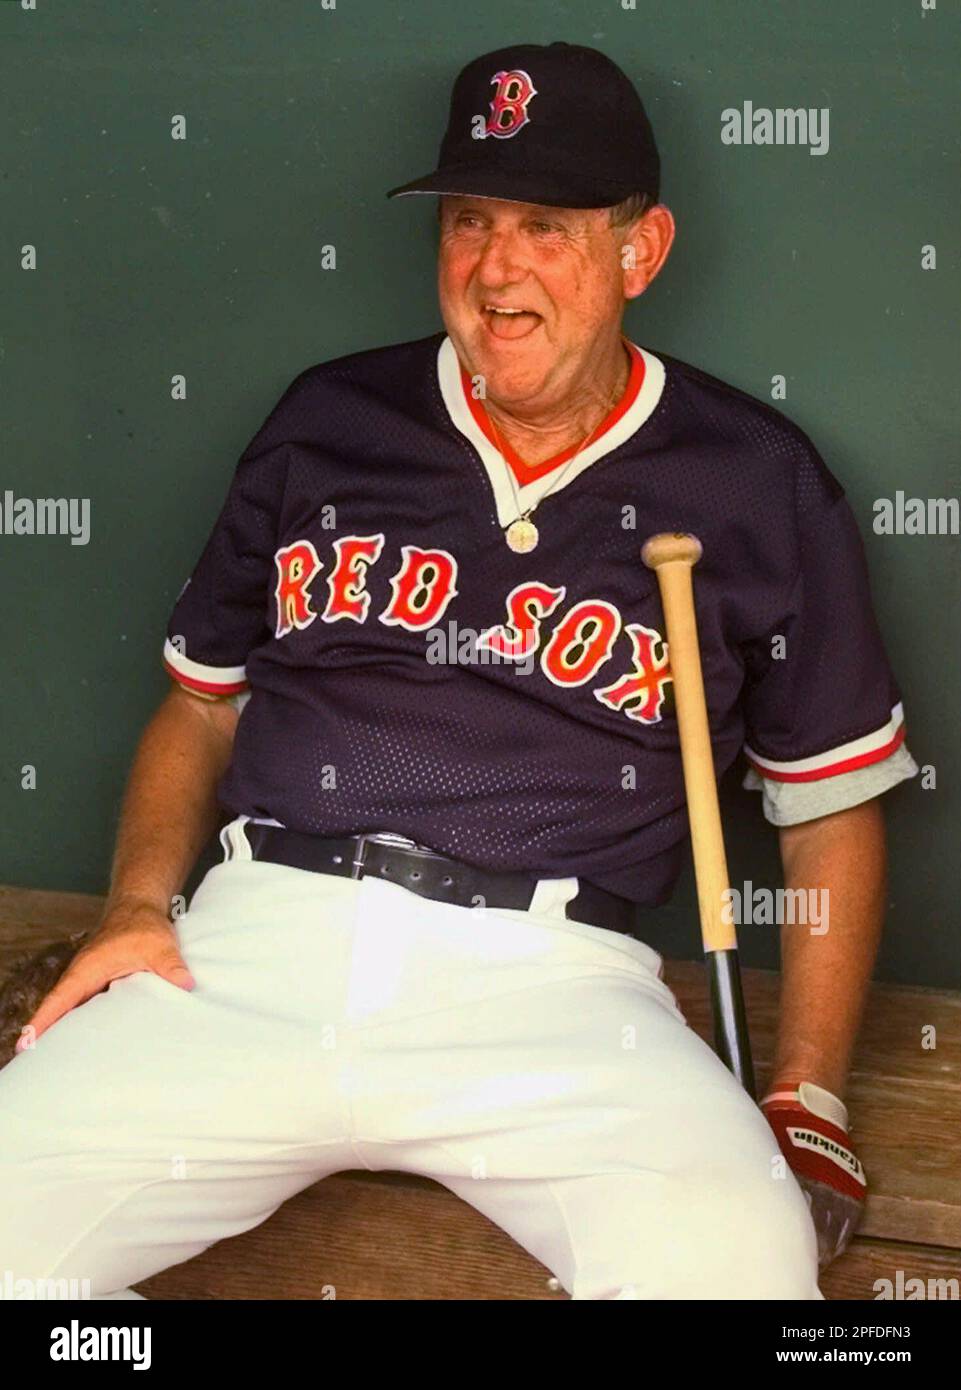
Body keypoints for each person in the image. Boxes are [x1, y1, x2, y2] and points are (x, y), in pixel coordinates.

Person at [0, 41, 916, 1300]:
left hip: (555, 988)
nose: (495, 267)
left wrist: (806, 1087)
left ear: (639, 251)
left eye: (545, 225)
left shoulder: (752, 477)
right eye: (472, 220)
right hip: (253, 944)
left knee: (740, 1278)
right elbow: (200, 707)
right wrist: (134, 907)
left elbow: (828, 810)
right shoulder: (328, 421)